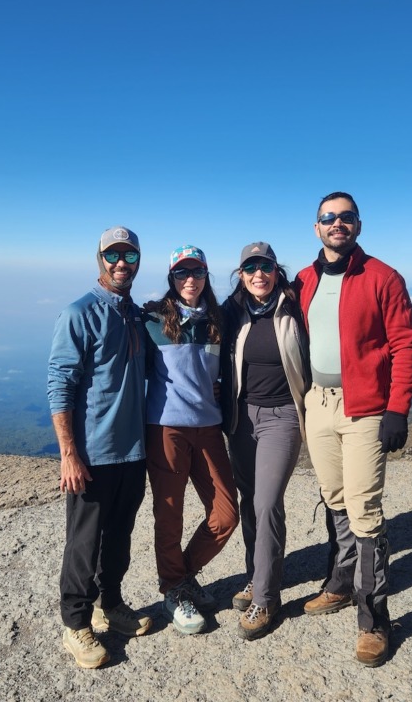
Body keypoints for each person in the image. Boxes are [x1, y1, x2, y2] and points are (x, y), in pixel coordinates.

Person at [294, 192, 412, 667]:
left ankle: (374, 621)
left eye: (346, 217)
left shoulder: (383, 277)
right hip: (318, 402)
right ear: (316, 228)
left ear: (358, 226)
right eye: (328, 217)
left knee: (364, 508)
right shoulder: (304, 280)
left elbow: (405, 345)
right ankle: (342, 582)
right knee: (334, 496)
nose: (337, 223)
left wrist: (397, 409)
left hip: (365, 408)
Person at [47, 225, 153, 670]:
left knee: (120, 536)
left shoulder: (135, 315)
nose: (121, 263)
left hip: (133, 450)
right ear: (100, 260)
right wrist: (69, 454)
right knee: (84, 542)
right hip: (93, 455)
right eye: (113, 255)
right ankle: (75, 623)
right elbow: (60, 384)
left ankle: (110, 603)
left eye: (129, 256)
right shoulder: (79, 313)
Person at [143, 245, 239, 635]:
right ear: (172, 278)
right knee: (170, 515)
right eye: (182, 273)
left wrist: (221, 386)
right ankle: (174, 589)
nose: (190, 280)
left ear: (205, 276)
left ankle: (180, 577)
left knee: (226, 514)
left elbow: (229, 366)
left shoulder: (217, 320)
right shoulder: (152, 319)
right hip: (166, 428)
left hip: (208, 427)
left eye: (197, 272)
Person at [221, 242, 310, 640]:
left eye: (266, 266)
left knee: (267, 501)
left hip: (283, 416)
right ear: (241, 274)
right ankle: (257, 576)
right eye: (251, 267)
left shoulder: (295, 308)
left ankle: (267, 598)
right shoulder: (233, 311)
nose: (259, 274)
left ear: (277, 270)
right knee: (249, 499)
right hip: (242, 419)